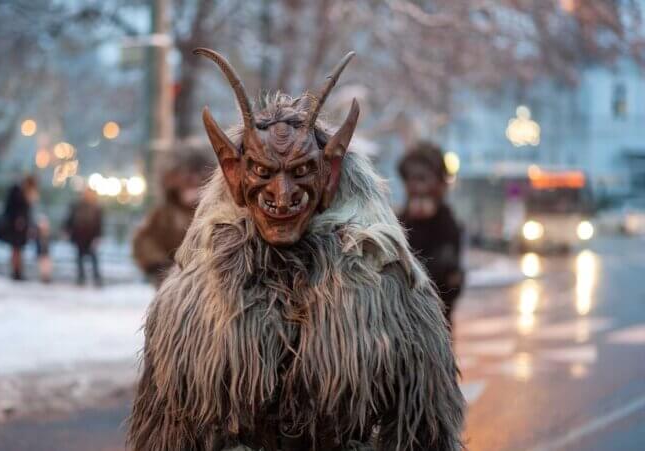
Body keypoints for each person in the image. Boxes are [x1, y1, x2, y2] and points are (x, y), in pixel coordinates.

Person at [128, 49, 464, 451]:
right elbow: (166, 432)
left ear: (329, 173)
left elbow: (424, 428)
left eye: (301, 172)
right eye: (264, 173)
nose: (282, 195)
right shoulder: (187, 303)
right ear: (235, 173)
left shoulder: (390, 288)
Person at [397, 141, 465, 329]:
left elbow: (452, 285)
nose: (416, 185)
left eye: (423, 178)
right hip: (399, 328)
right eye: (411, 178)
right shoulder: (397, 224)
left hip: (435, 327)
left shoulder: (448, 225)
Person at [132, 140, 214, 287]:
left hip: (210, 283)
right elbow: (145, 240)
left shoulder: (217, 211)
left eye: (198, 174)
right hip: (174, 286)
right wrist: (160, 266)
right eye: (187, 175)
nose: (193, 180)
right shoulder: (166, 213)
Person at [0, 175, 38, 280]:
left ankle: (18, 271)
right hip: (15, 227)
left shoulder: (20, 192)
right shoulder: (18, 192)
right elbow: (16, 210)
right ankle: (16, 272)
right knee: (16, 249)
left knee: (18, 250)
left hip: (19, 227)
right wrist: (18, 219)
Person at [65, 187, 103, 286]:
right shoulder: (77, 205)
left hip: (91, 236)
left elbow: (99, 223)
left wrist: (98, 237)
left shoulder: (96, 207)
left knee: (94, 257)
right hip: (79, 235)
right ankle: (81, 278)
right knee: (79, 258)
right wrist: (67, 230)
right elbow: (70, 219)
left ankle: (96, 278)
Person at [35, 214, 53, 284]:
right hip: (42, 253)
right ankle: (44, 275)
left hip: (45, 253)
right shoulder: (39, 236)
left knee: (45, 262)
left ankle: (46, 275)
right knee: (43, 263)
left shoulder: (47, 234)